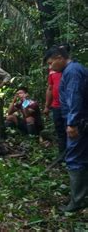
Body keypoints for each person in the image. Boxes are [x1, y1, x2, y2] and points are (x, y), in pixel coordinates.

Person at [44, 45, 88, 212]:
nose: (50, 67)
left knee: (75, 159)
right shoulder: (73, 69)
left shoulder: (72, 72)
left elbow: (74, 97)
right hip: (81, 120)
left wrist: (71, 123)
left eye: (50, 63)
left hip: (78, 123)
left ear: (59, 58)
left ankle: (77, 201)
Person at [44, 69, 66, 161]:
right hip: (56, 106)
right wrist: (47, 106)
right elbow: (50, 88)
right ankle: (62, 155)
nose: (50, 65)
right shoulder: (52, 71)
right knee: (60, 131)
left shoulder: (69, 70)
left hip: (69, 106)